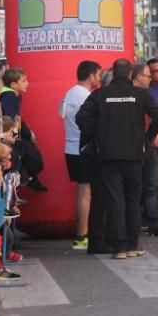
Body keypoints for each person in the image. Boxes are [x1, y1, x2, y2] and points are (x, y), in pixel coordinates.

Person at [76, 58, 158, 259]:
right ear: (131, 75)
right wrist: (147, 137)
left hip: (108, 155)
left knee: (115, 200)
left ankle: (119, 247)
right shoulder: (140, 94)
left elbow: (81, 117)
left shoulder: (100, 94)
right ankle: (132, 244)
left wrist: (97, 135)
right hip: (134, 154)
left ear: (113, 74)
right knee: (133, 200)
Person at [61, 60, 102, 250]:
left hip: (71, 147)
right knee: (86, 192)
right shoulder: (85, 96)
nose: (100, 79)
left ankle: (81, 234)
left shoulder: (69, 93)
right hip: (82, 148)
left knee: (82, 191)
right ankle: (82, 235)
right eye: (99, 75)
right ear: (91, 75)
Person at [134, 62, 158, 237]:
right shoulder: (137, 94)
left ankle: (153, 222)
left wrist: (151, 135)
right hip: (134, 145)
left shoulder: (147, 94)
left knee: (151, 185)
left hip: (147, 143)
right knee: (136, 186)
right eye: (148, 75)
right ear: (138, 77)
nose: (151, 78)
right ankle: (136, 223)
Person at [0, 67, 46, 192]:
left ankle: (27, 179)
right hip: (10, 139)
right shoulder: (8, 96)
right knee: (32, 160)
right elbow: (11, 119)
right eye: (24, 81)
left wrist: (27, 133)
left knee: (29, 158)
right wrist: (16, 137)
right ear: (14, 84)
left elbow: (17, 118)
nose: (27, 83)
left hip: (14, 136)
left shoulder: (14, 96)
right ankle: (25, 181)